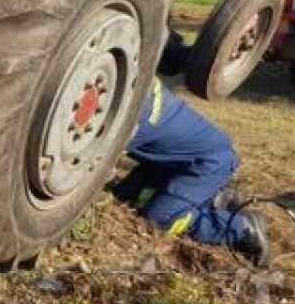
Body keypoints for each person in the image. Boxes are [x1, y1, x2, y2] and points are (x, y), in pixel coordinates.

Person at [116, 77, 272, 265]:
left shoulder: (131, 118)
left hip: (207, 162)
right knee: (124, 196)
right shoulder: (138, 78)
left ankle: (242, 227)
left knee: (162, 218)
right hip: (174, 160)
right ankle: (213, 198)